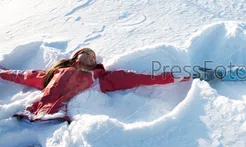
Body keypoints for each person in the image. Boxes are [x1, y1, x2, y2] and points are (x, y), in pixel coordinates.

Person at [0, 47, 187, 123]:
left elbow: (141, 78)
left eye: (94, 57)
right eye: (87, 53)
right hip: (30, 113)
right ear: (75, 57)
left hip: (58, 118)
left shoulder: (100, 79)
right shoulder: (53, 74)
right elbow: (24, 76)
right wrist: (2, 72)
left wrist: (180, 76)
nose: (91, 56)